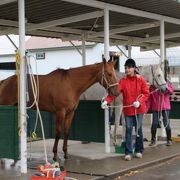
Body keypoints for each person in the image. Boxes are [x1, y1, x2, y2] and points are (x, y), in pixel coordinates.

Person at [101, 58, 150, 161]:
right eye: (125, 68)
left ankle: (139, 150)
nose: (126, 70)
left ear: (134, 68)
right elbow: (115, 93)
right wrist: (106, 101)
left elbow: (146, 93)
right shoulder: (123, 81)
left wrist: (139, 102)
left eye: (128, 68)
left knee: (138, 130)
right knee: (128, 130)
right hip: (128, 111)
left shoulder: (140, 79)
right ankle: (128, 152)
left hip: (139, 110)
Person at [148, 81, 174, 146]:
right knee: (154, 123)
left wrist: (166, 88)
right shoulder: (152, 87)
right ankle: (153, 140)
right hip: (156, 107)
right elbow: (150, 98)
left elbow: (171, 91)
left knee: (166, 123)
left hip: (165, 106)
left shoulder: (167, 84)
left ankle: (169, 139)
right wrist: (147, 107)